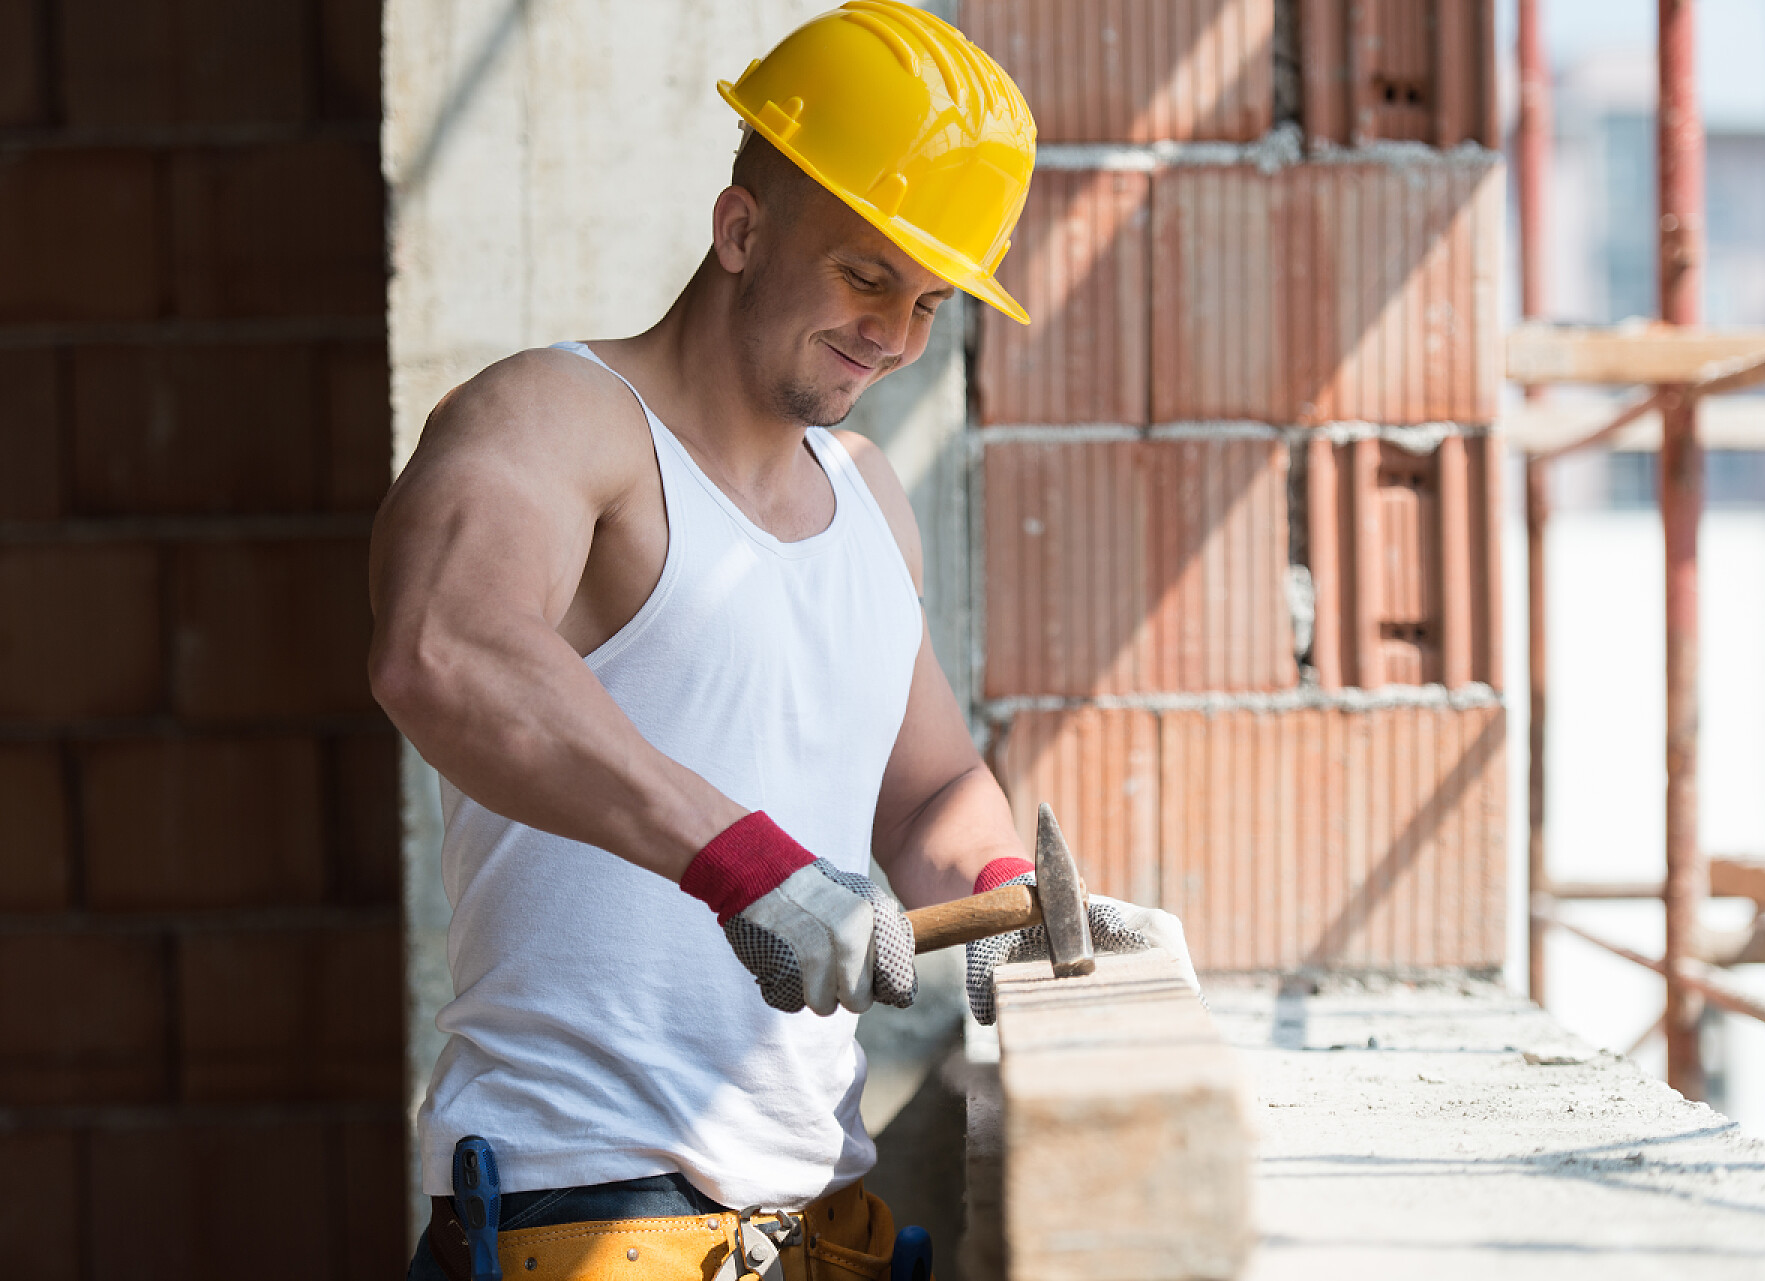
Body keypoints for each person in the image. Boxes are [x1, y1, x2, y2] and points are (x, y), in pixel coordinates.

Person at [369, 4, 1193, 1277]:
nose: (896, 336)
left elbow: (923, 788)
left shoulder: (866, 491)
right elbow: (445, 651)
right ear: (740, 228)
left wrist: (993, 903)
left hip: (816, 1226)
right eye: (867, 275)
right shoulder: (560, 418)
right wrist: (746, 867)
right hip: (586, 1215)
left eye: (929, 300)